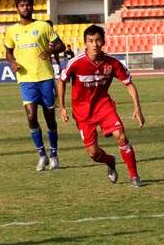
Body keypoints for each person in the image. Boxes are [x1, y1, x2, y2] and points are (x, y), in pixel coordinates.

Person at [58, 25, 144, 187]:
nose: (95, 44)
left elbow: (129, 84)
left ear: (103, 42)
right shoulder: (76, 63)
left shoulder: (112, 63)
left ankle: (134, 176)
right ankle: (110, 161)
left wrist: (137, 108)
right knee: (93, 153)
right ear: (85, 43)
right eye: (91, 41)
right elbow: (61, 81)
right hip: (82, 113)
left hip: (104, 107)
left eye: (98, 40)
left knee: (120, 135)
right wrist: (62, 107)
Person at [4, 0, 65, 171]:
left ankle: (54, 155)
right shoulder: (11, 31)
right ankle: (42, 155)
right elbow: (8, 52)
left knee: (50, 118)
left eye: (28, 5)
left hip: (45, 77)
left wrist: (48, 49)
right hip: (25, 80)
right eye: (22, 5)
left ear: (32, 7)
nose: (25, 8)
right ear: (17, 8)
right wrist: (13, 62)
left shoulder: (43, 26)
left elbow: (60, 45)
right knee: (31, 117)